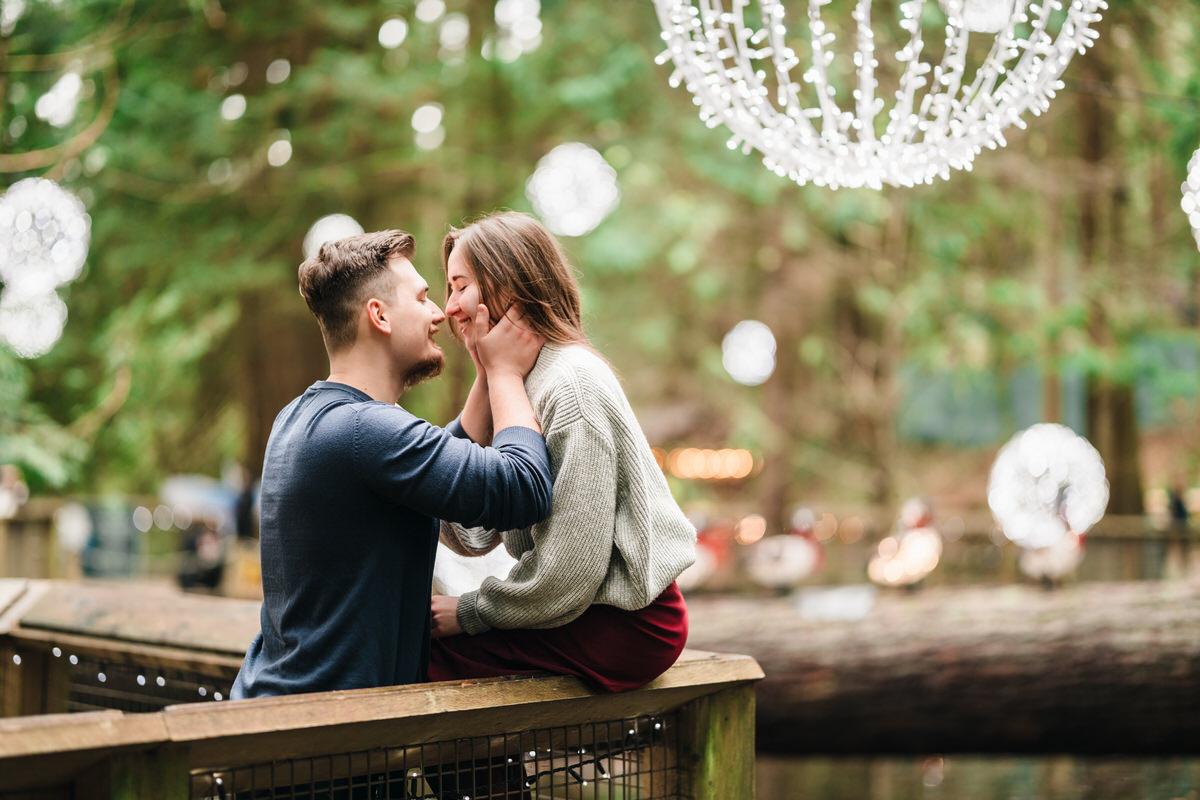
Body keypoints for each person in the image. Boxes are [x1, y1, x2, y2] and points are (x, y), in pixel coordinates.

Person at [231, 229, 554, 699]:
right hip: (330, 739)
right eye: (422, 297)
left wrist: (486, 371)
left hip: (290, 716)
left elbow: (428, 457)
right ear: (379, 315)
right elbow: (522, 487)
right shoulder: (366, 430)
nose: (439, 312)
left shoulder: (304, 416)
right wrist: (506, 374)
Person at [428, 211, 696, 693]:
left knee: (425, 660)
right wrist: (489, 374)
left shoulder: (570, 386)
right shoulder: (521, 382)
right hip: (579, 609)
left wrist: (470, 612)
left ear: (506, 283)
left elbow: (571, 571)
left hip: (627, 623)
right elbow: (469, 531)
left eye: (460, 286)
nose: (449, 308)